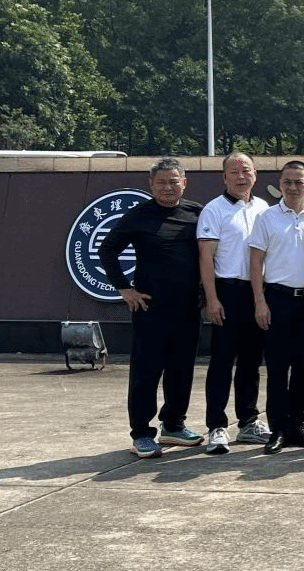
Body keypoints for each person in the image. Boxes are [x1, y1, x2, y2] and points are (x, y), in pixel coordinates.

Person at [99, 157, 204, 458]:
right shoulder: (138, 215)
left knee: (181, 370)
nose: (167, 187)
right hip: (150, 309)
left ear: (184, 183)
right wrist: (124, 289)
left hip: (188, 308)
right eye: (161, 182)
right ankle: (142, 434)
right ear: (151, 185)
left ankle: (173, 425)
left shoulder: (198, 213)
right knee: (146, 373)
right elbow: (107, 250)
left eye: (173, 181)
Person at [197, 151, 269, 454]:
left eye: (246, 171)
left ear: (255, 175)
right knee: (222, 362)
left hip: (258, 293)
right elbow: (206, 259)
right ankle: (216, 425)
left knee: (251, 362)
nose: (241, 177)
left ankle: (249, 422)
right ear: (224, 177)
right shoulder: (214, 210)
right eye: (234, 172)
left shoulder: (264, 208)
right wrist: (212, 299)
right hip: (227, 293)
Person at [249, 161, 304, 454]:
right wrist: (260, 302)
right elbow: (255, 262)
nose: (293, 187)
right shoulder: (266, 218)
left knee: (303, 368)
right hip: (277, 298)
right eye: (287, 182)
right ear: (280, 185)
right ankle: (278, 429)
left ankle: (299, 426)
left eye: (298, 182)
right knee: (277, 369)